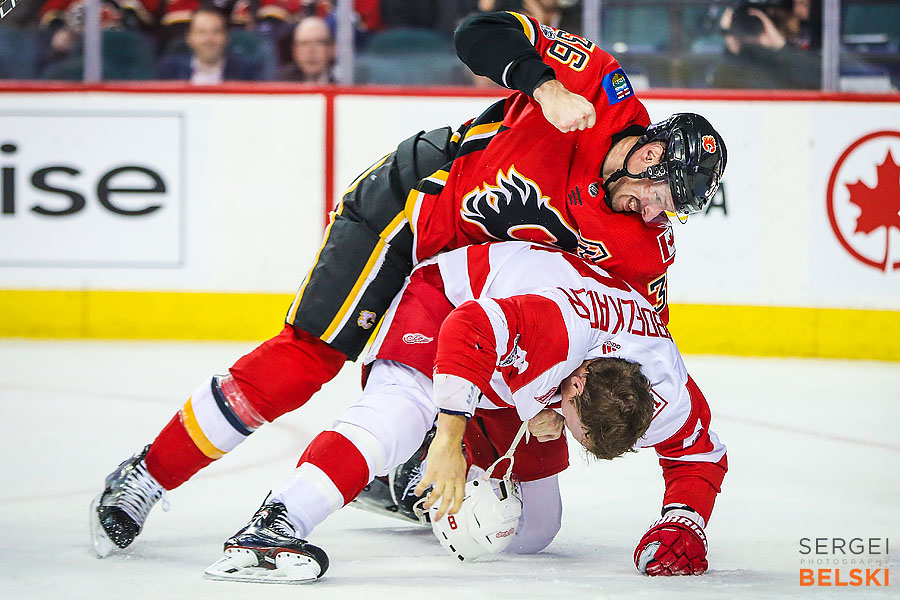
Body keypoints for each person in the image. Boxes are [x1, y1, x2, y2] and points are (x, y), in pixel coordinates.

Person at [90, 10, 726, 559]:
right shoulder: (601, 87)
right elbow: (477, 34)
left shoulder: (643, 241)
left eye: (669, 210)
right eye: (658, 195)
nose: (654, 214)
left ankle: (405, 479)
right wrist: (543, 86)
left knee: (480, 384)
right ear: (649, 155)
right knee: (306, 359)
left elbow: (636, 324)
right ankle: (148, 474)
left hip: (464, 272)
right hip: (411, 210)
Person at [200, 241, 727, 583]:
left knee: (533, 534)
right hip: (450, 303)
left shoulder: (665, 385)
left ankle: (409, 485)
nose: (562, 429)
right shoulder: (557, 326)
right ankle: (275, 523)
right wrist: (448, 441)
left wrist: (682, 522)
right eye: (567, 418)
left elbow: (700, 455)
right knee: (397, 416)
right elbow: (468, 327)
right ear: (579, 380)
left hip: (514, 361)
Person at [157, 8, 263, 83]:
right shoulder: (169, 70)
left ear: (227, 38)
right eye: (202, 32)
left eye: (216, 32)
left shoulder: (248, 72)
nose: (209, 39)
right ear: (189, 38)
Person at [278, 16, 335, 83]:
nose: (311, 51)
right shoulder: (281, 82)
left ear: (332, 48)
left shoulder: (344, 80)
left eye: (319, 43)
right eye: (304, 44)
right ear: (295, 51)